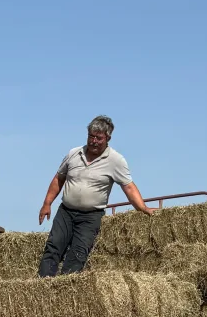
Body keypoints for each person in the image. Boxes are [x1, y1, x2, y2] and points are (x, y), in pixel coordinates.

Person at [36, 116, 156, 277]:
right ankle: (43, 285)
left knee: (78, 253)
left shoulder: (116, 160)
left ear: (108, 138)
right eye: (91, 136)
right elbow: (59, 178)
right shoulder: (74, 153)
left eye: (98, 138)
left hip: (91, 216)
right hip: (66, 211)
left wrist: (142, 208)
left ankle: (64, 291)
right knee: (53, 247)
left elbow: (128, 187)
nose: (93, 141)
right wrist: (47, 203)